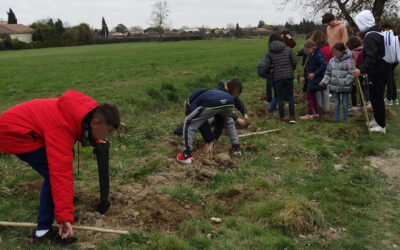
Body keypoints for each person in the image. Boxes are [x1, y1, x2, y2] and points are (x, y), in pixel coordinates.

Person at [0, 90, 120, 246]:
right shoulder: (60, 128)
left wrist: (95, 140)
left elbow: (81, 129)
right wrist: (64, 217)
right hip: (13, 133)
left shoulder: (85, 112)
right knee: (52, 173)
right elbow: (60, 172)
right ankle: (42, 233)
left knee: (61, 161)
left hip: (29, 126)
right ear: (95, 123)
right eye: (104, 133)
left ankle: (59, 199)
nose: (104, 137)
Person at [176, 82, 242, 164]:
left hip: (213, 102)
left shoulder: (192, 104)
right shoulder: (207, 94)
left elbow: (203, 123)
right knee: (228, 121)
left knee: (188, 121)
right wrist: (213, 140)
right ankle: (236, 149)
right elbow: (220, 123)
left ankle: (186, 155)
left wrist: (209, 140)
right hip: (229, 101)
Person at [353, 10, 392, 133]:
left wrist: (361, 69)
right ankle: (377, 119)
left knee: (376, 98)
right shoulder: (378, 32)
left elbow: (371, 56)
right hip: (383, 70)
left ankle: (381, 125)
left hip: (377, 72)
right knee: (375, 97)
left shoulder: (370, 36)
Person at [263, 33, 298, 123]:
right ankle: (292, 118)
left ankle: (282, 118)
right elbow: (294, 61)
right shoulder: (288, 49)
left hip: (277, 77)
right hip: (289, 76)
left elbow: (266, 66)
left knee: (280, 97)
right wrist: (291, 69)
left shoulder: (269, 52)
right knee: (290, 96)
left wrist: (270, 72)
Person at [320, 42, 354, 122]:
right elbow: (328, 73)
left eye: (337, 52)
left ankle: (345, 119)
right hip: (335, 86)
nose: (335, 53)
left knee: (345, 103)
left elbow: (351, 74)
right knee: (336, 103)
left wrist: (345, 82)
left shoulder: (349, 61)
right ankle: (337, 119)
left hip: (345, 87)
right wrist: (324, 81)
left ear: (342, 51)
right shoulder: (332, 61)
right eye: (334, 52)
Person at [300, 40, 327, 120]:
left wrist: (314, 74)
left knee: (308, 96)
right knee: (312, 96)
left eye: (307, 50)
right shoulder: (311, 55)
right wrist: (304, 77)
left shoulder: (317, 55)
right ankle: (316, 113)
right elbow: (307, 68)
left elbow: (323, 65)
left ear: (311, 47)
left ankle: (309, 113)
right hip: (311, 79)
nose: (306, 52)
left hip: (315, 79)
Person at [310, 30, 333, 114]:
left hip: (317, 71)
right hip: (327, 70)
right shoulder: (329, 48)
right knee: (326, 91)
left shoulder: (314, 49)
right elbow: (332, 59)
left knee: (317, 91)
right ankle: (326, 109)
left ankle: (318, 109)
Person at [347, 36, 370, 109]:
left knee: (353, 90)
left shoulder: (351, 53)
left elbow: (348, 64)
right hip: (364, 73)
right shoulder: (364, 50)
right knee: (364, 88)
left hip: (355, 73)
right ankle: (366, 102)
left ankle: (354, 105)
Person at [382, 22, 399, 106]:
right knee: (392, 79)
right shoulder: (394, 36)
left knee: (389, 80)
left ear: (386, 28)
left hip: (389, 60)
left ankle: (389, 98)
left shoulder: (387, 35)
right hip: (395, 60)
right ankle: (395, 98)